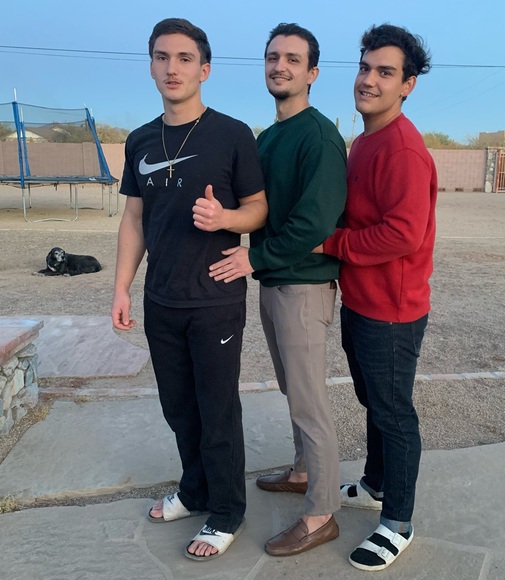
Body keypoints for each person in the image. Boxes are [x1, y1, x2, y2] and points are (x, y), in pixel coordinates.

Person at [111, 18, 267, 562]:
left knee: (216, 408)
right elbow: (134, 219)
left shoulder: (232, 134)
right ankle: (195, 489)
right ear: (151, 66)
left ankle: (226, 511)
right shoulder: (140, 140)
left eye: (183, 58)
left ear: (205, 69)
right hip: (161, 299)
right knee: (178, 406)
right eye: (162, 57)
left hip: (214, 298)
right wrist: (122, 287)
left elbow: (258, 208)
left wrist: (225, 218)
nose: (172, 68)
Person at [209, 23, 347, 557]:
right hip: (274, 282)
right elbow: (255, 206)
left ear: (312, 73)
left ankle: (320, 514)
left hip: (303, 287)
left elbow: (315, 222)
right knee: (294, 389)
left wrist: (254, 257)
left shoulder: (319, 137)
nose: (280, 66)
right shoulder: (267, 138)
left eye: (292, 59)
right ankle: (303, 470)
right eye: (272, 57)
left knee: (309, 401)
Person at [315, 23, 437, 572]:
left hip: (392, 311)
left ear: (407, 85)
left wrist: (332, 243)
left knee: (394, 413)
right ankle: (376, 483)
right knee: (375, 401)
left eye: (385, 72)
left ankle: (398, 523)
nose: (369, 80)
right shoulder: (364, 140)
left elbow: (403, 234)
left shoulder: (404, 149)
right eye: (365, 68)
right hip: (361, 301)